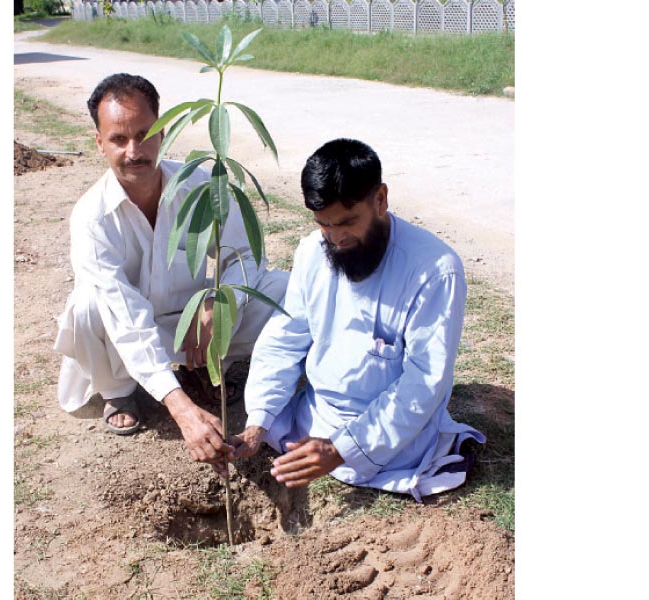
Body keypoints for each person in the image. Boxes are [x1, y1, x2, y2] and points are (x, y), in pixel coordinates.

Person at [52, 73, 289, 471]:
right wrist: (182, 408)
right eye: (118, 139)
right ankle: (120, 390)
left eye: (145, 134)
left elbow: (246, 254)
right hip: (128, 338)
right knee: (87, 306)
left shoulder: (200, 185)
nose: (134, 150)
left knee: (283, 289)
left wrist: (219, 301)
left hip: (197, 325)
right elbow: (124, 318)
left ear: (164, 131)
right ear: (99, 142)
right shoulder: (92, 218)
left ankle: (216, 367)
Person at [230, 138, 486, 502]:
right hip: (316, 420)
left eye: (348, 223)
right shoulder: (311, 253)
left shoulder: (435, 270)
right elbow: (284, 340)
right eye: (323, 225)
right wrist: (258, 422)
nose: (336, 238)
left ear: (380, 199)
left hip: (398, 444)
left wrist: (341, 450)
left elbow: (423, 382)